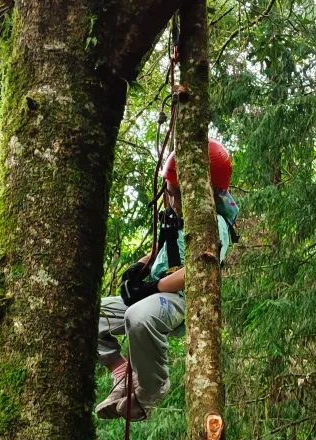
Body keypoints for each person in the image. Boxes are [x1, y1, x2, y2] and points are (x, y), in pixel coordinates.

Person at [96, 138, 238, 422]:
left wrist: (150, 288)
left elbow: (198, 270)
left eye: (177, 193)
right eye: (169, 192)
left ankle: (150, 390)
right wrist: (136, 271)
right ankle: (123, 373)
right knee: (92, 313)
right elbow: (161, 252)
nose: (170, 200)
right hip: (156, 294)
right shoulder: (174, 218)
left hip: (181, 301)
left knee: (138, 315)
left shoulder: (215, 224)